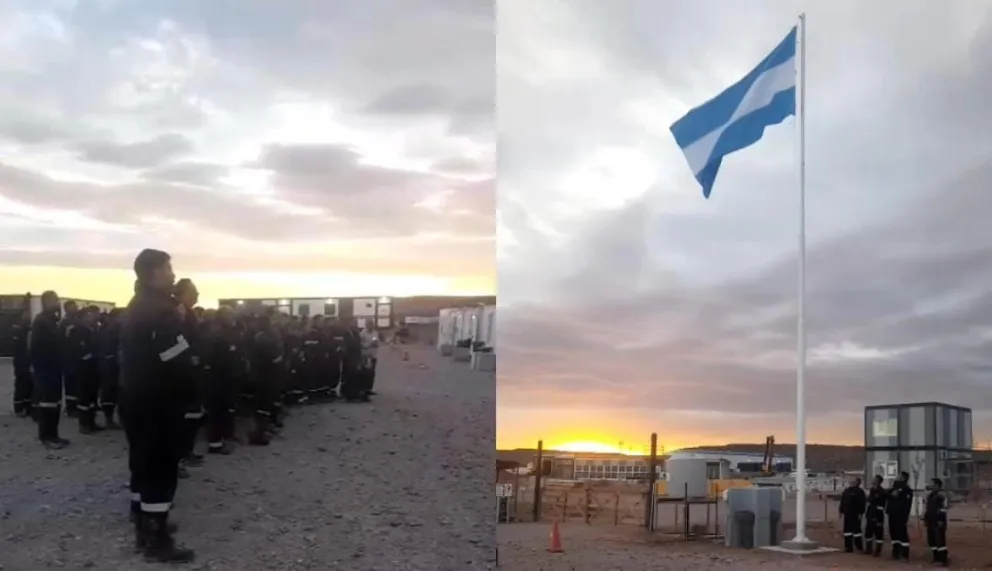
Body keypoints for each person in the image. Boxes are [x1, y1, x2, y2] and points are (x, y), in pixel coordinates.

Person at [119, 248, 195, 563]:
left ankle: (142, 521)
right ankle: (156, 539)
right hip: (158, 401)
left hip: (135, 398)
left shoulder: (137, 305)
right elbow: (175, 359)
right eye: (168, 269)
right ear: (154, 273)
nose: (173, 275)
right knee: (161, 469)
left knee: (141, 462)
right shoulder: (161, 312)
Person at [174, 278, 206, 472]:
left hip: (192, 373)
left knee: (193, 415)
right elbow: (175, 342)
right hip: (180, 374)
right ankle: (178, 459)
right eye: (193, 291)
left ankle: (186, 452)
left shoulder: (189, 313)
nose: (197, 295)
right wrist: (189, 357)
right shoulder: (176, 313)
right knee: (181, 418)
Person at [71, 307, 104, 434]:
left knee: (92, 397)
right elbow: (80, 350)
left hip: (93, 368)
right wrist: (93, 355)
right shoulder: (78, 330)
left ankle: (91, 422)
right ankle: (84, 424)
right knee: (84, 397)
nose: (95, 317)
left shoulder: (93, 329)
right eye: (93, 314)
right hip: (84, 368)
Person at [98, 309, 123, 429]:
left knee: (114, 392)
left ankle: (112, 418)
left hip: (113, 363)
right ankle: (109, 419)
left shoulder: (109, 328)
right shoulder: (111, 329)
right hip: (110, 364)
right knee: (109, 392)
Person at [12, 300, 34, 418]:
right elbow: (20, 349)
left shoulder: (28, 330)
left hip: (28, 362)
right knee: (21, 385)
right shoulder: (18, 331)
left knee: (29, 385)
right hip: (21, 363)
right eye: (26, 315)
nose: (28, 317)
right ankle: (19, 408)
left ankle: (28, 406)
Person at [886, 471, 914, 560]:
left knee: (902, 534)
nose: (897, 477)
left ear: (903, 478)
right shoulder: (894, 487)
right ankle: (896, 553)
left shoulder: (907, 490)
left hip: (901, 515)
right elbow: (887, 495)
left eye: (899, 476)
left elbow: (905, 503)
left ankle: (905, 555)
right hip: (892, 514)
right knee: (893, 533)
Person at [59, 300, 80, 417]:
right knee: (70, 383)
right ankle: (71, 408)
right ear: (67, 308)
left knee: (75, 383)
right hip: (68, 358)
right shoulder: (65, 323)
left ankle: (74, 405)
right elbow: (63, 340)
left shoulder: (75, 321)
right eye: (74, 307)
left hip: (75, 357)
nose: (76, 308)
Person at [924, 477, 949, 565]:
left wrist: (940, 520)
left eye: (932, 484)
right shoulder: (930, 496)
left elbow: (943, 509)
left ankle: (943, 560)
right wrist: (926, 518)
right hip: (931, 521)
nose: (929, 485)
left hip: (938, 521)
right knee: (932, 540)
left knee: (940, 540)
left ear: (937, 486)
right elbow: (928, 509)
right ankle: (936, 558)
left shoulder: (941, 496)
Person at [839, 476, 866, 553]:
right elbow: (842, 502)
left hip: (855, 514)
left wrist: (861, 513)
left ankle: (859, 547)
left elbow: (862, 503)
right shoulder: (846, 491)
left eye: (853, 480)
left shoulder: (860, 492)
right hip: (847, 514)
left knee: (857, 531)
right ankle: (848, 547)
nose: (851, 481)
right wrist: (840, 511)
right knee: (847, 531)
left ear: (857, 482)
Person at [863, 474, 887, 556]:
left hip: (877, 514)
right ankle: (868, 549)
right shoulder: (872, 490)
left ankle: (878, 551)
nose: (872, 480)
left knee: (878, 533)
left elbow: (881, 504)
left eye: (874, 479)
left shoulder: (882, 492)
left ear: (877, 481)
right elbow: (869, 501)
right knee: (868, 532)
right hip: (870, 513)